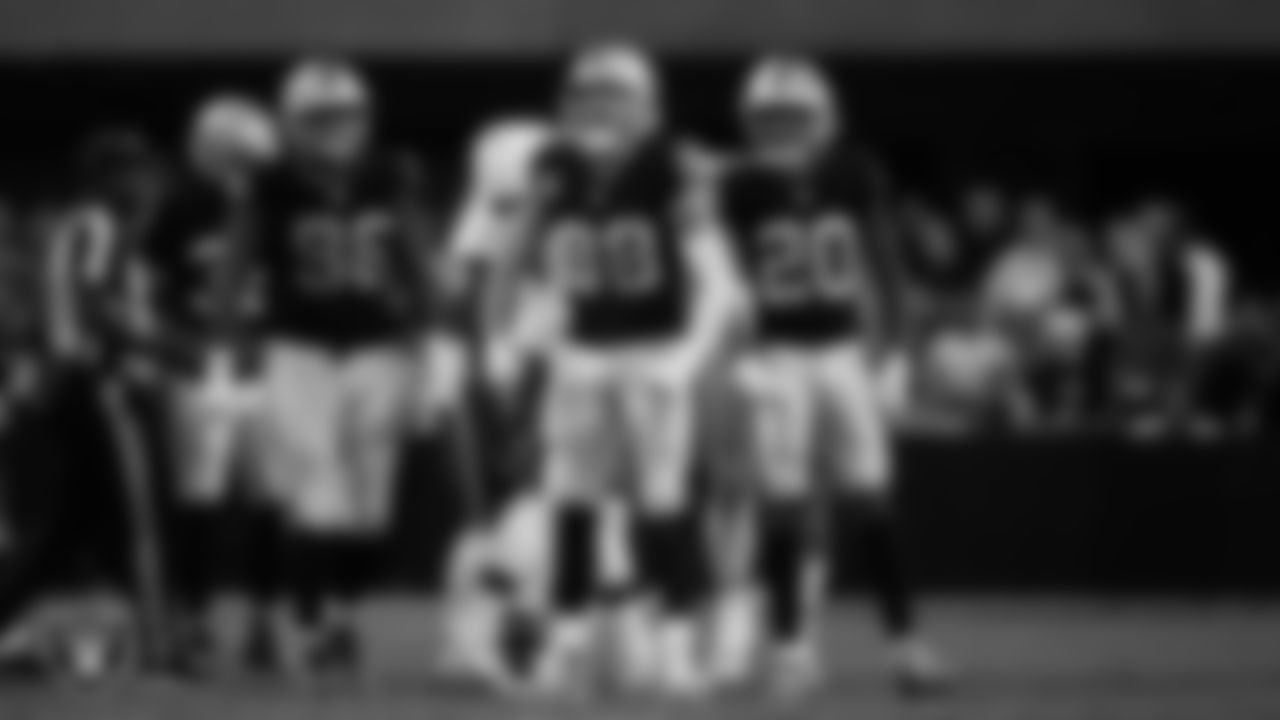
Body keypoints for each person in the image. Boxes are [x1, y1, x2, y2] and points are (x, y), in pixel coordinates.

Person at [494, 43, 742, 697]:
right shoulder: (552, 165)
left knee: (664, 504)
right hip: (580, 353)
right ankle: (568, 646)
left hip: (653, 349)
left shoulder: (672, 167)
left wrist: (685, 360)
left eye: (615, 97)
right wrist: (515, 335)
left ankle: (678, 648)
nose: (600, 109)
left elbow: (719, 284)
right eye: (588, 97)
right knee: (570, 501)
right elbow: (525, 259)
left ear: (648, 106)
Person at [708, 55, 948, 695]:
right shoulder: (738, 185)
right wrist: (737, 352)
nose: (781, 128)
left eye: (794, 116)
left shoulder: (856, 172)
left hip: (842, 352)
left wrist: (898, 348)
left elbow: (887, 260)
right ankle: (790, 649)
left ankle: (907, 646)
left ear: (825, 117)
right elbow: (724, 277)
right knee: (782, 508)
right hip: (778, 354)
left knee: (872, 501)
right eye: (769, 117)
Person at [216, 57, 435, 676]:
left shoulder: (392, 175)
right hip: (299, 348)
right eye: (319, 117)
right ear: (290, 122)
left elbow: (417, 257)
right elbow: (235, 262)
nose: (335, 127)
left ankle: (341, 613)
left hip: (380, 348)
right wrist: (228, 338)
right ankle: (315, 628)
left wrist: (432, 330)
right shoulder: (270, 184)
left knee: (371, 510)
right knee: (316, 498)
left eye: (345, 115)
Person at [0, 129, 168, 676]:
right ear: (103, 177)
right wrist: (167, 347)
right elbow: (96, 303)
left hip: (63, 384)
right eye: (132, 170)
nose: (143, 181)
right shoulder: (99, 222)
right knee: (136, 516)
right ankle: (157, 650)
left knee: (61, 529)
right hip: (95, 380)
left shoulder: (71, 224)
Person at [126, 93, 280, 672]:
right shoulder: (177, 208)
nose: (246, 167)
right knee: (201, 500)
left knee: (272, 500)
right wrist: (177, 349)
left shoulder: (274, 206)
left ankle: (264, 622)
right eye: (235, 155)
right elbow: (143, 293)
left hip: (264, 363)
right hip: (203, 365)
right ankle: (195, 620)